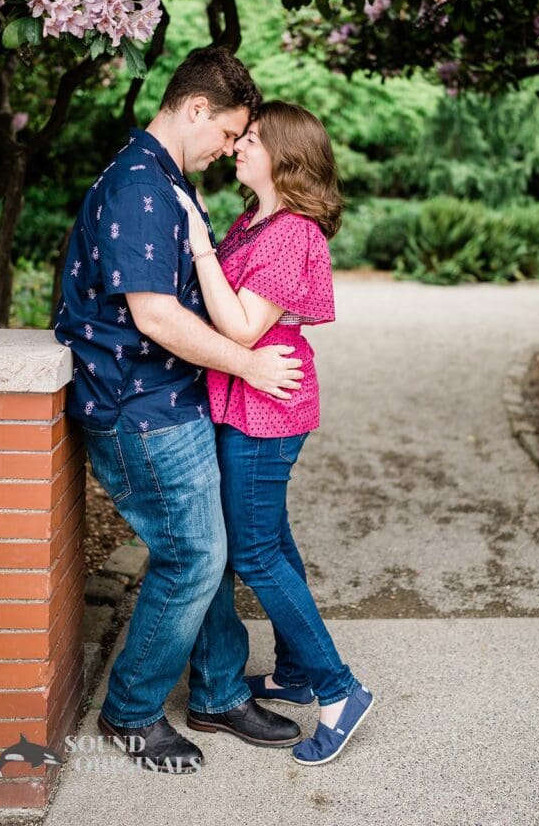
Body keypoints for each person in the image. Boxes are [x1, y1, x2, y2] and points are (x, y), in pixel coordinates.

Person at [54, 49, 307, 774]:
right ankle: (132, 711)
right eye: (227, 133)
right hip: (138, 406)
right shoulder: (140, 186)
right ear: (196, 109)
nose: (229, 149)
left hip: (168, 397)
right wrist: (249, 365)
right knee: (193, 556)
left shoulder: (164, 177)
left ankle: (219, 692)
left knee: (209, 548)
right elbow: (156, 317)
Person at [174, 100, 374, 767]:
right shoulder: (256, 219)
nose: (238, 145)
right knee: (272, 538)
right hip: (245, 399)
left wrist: (198, 243)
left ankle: (339, 691)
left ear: (286, 156)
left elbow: (240, 328)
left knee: (254, 551)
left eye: (252, 139)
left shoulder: (291, 233)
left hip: (265, 407)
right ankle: (293, 672)